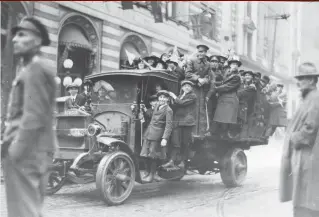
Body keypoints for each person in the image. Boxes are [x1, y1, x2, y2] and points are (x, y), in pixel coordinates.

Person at [1, 16, 57, 217]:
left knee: (22, 212)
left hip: (27, 153)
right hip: (33, 151)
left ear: (37, 41)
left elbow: (33, 116)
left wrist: (15, 151)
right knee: (29, 209)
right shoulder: (33, 68)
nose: (15, 39)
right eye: (15, 35)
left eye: (22, 34)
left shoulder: (36, 69)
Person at [279, 62, 319, 217]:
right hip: (305, 157)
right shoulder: (309, 98)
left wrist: (293, 137)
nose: (298, 82)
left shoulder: (314, 100)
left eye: (302, 79)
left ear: (311, 80)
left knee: (306, 199)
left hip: (309, 157)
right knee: (304, 196)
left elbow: (310, 130)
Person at [162, 80, 197, 169]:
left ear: (191, 88)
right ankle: (172, 161)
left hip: (187, 122)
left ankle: (183, 162)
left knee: (185, 143)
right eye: (185, 86)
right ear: (182, 88)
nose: (187, 87)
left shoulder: (193, 96)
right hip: (178, 122)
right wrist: (170, 101)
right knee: (176, 142)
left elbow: (182, 103)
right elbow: (176, 106)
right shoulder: (180, 96)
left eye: (189, 86)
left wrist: (173, 96)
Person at [140, 90, 173, 183]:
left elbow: (169, 125)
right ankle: (147, 172)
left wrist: (165, 138)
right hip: (149, 132)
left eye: (164, 97)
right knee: (144, 154)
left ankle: (152, 175)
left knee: (153, 155)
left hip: (157, 134)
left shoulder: (168, 110)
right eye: (160, 97)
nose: (162, 99)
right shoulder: (157, 106)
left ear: (167, 99)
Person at [206, 56, 241, 138]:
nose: (234, 66)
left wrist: (215, 88)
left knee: (223, 118)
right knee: (221, 117)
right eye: (233, 64)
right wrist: (213, 84)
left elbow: (227, 86)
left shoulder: (237, 77)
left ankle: (214, 133)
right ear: (230, 66)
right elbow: (223, 83)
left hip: (230, 99)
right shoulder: (228, 74)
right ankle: (219, 134)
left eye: (236, 64)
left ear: (238, 66)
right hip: (224, 98)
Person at [185, 44, 212, 136]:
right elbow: (188, 74)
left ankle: (199, 132)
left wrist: (205, 80)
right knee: (191, 109)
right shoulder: (191, 61)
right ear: (197, 51)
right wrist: (198, 79)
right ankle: (190, 132)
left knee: (200, 110)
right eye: (200, 51)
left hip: (201, 90)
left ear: (206, 53)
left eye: (204, 52)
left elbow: (209, 77)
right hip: (192, 88)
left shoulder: (208, 64)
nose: (202, 54)